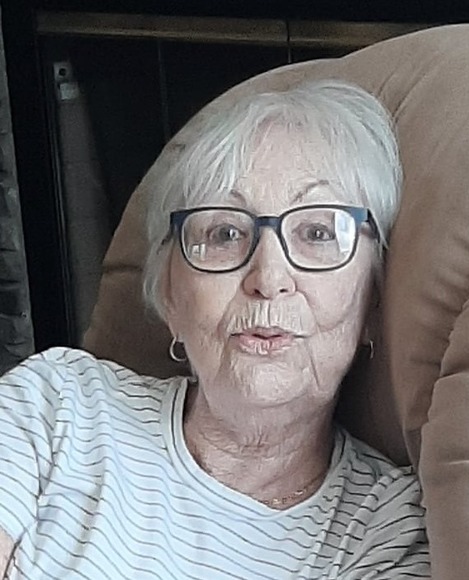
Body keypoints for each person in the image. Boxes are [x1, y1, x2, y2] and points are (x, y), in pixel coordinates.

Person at [0, 80, 430, 579]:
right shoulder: (60, 405)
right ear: (170, 293)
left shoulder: (389, 529)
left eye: (318, 233)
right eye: (225, 233)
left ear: (373, 301)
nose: (268, 278)